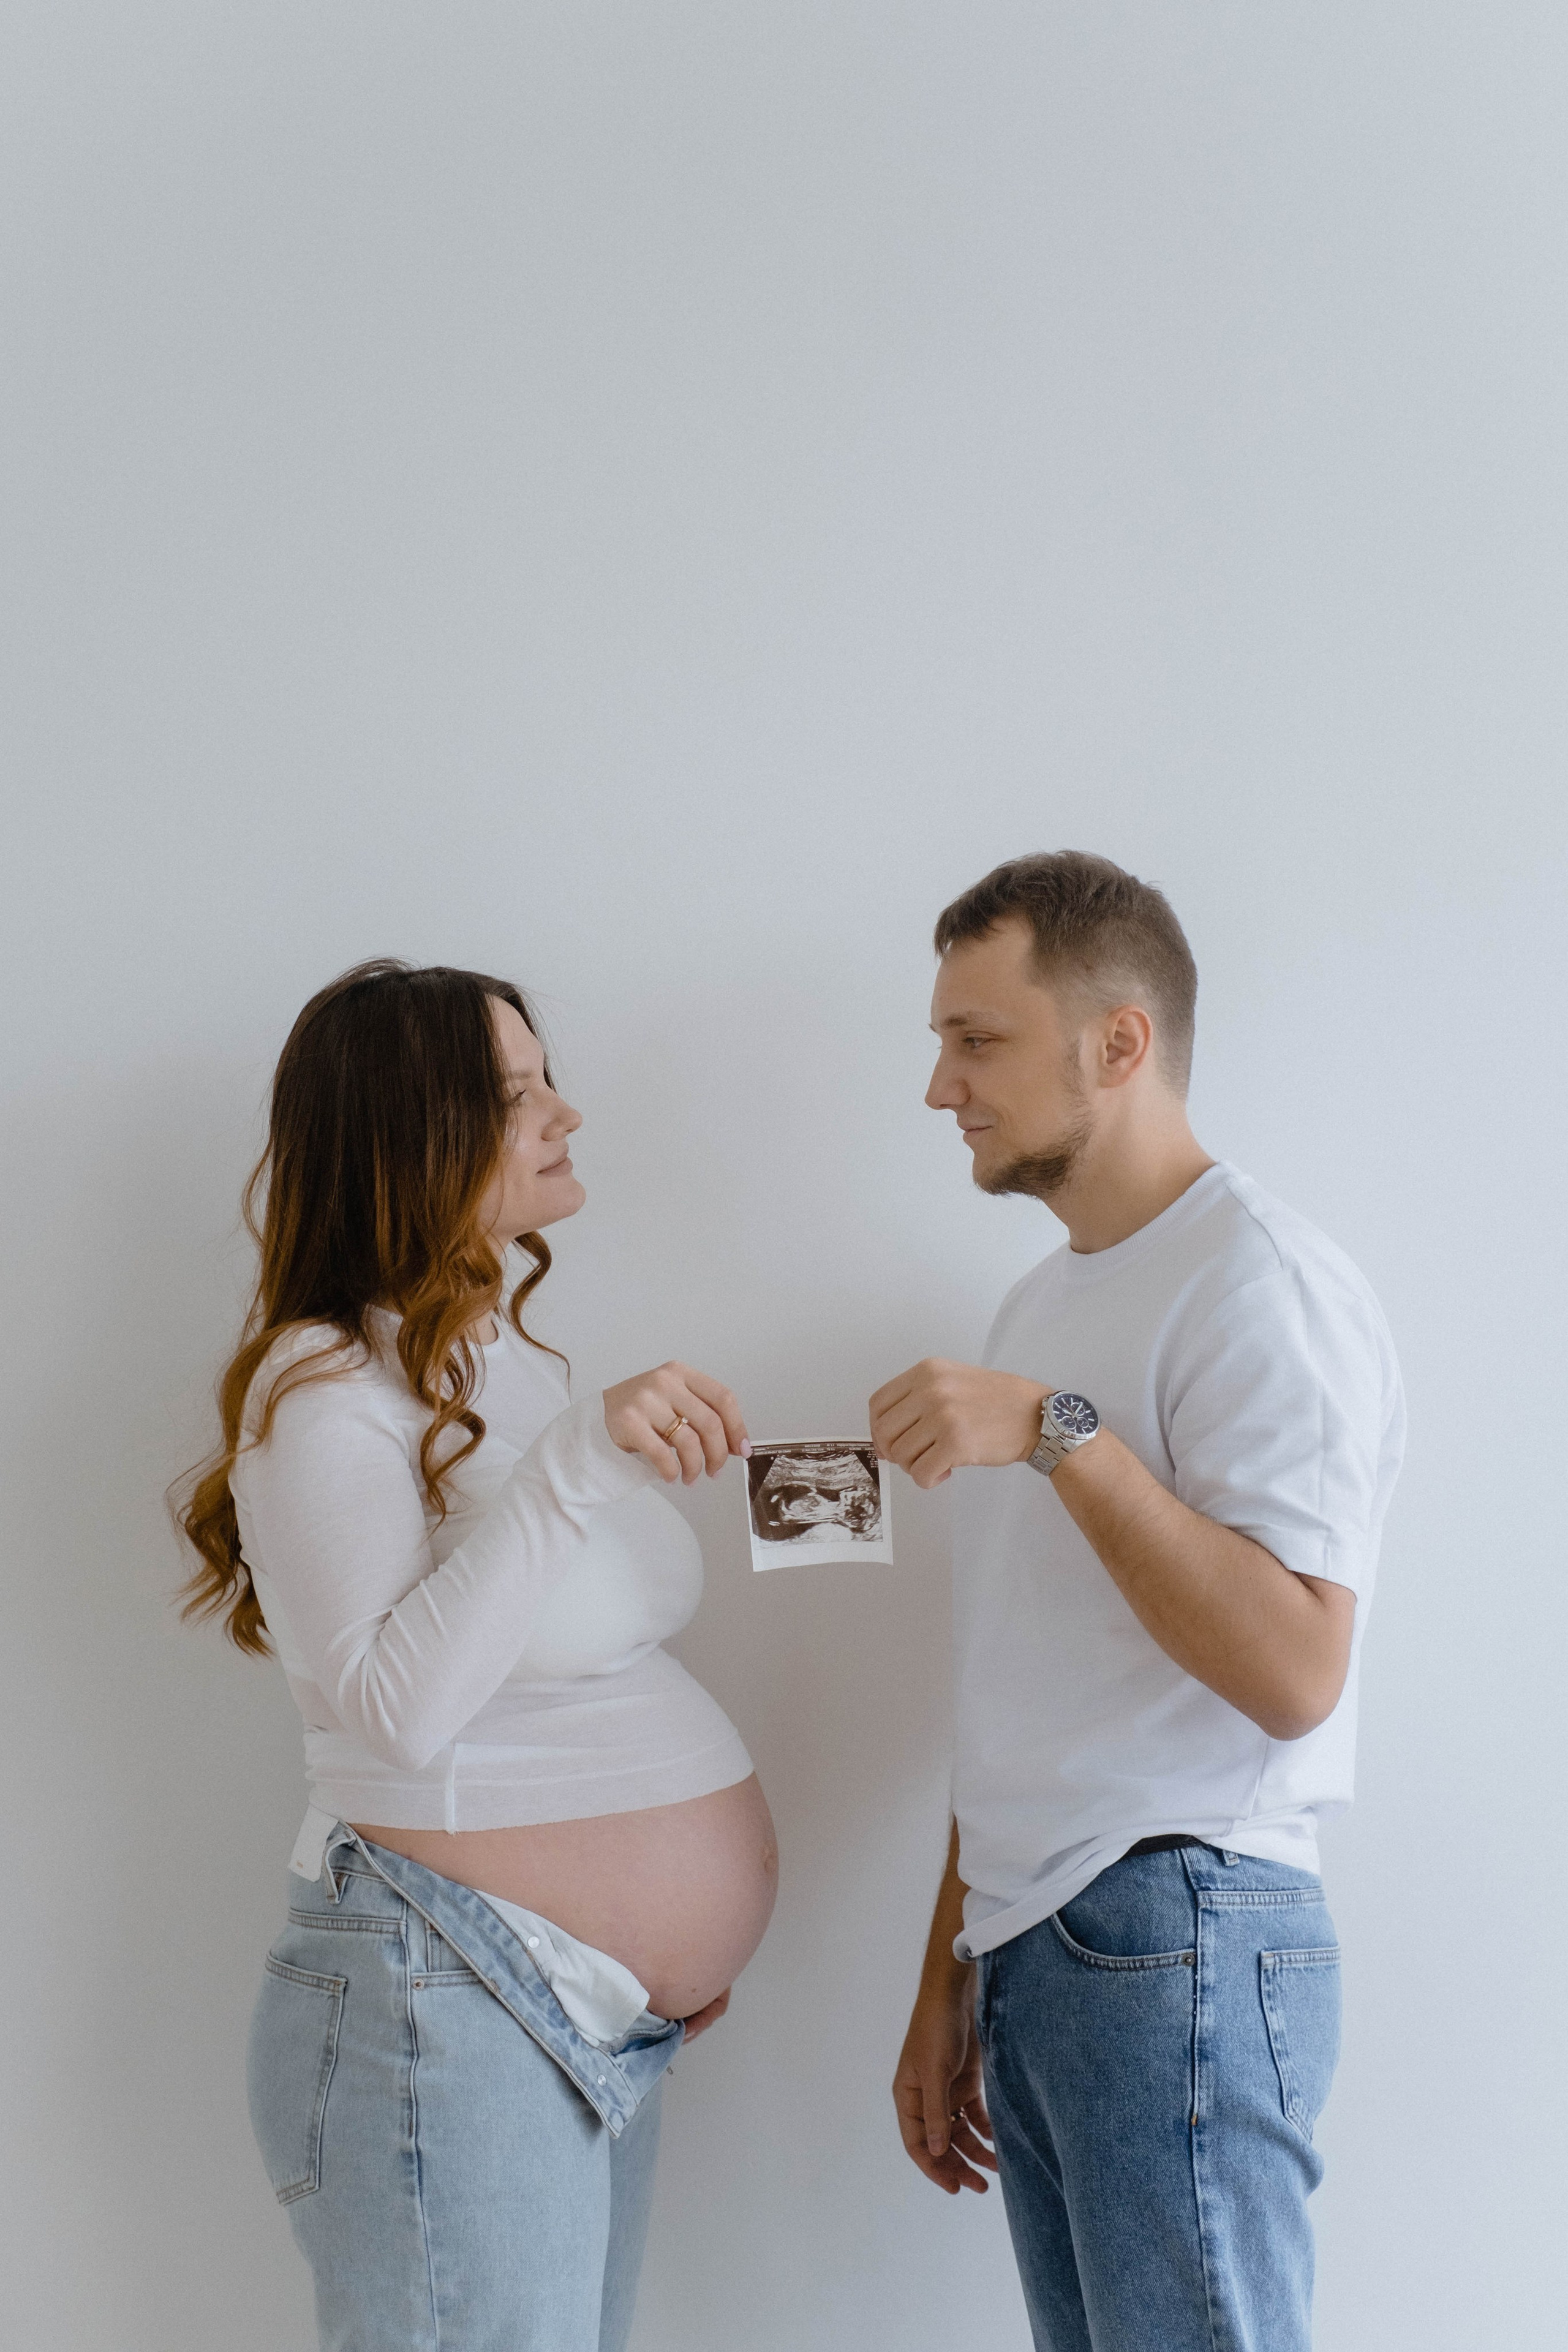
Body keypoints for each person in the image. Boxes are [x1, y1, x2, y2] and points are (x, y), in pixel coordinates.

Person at [175, 960, 777, 2352]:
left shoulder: (504, 1363)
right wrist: (578, 1462)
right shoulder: (322, 1385)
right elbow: (393, 1713)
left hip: (565, 2004)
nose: (566, 1113)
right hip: (442, 1989)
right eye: (516, 1095)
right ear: (413, 1131)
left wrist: (649, 1945)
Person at [871, 854, 1404, 2352]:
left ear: (1118, 1043)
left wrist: (1059, 1433)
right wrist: (950, 1966)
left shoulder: (1257, 1284)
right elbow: (1027, 1678)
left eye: (976, 1040)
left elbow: (1295, 1670)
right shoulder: (1037, 1306)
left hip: (1179, 1926)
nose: (938, 1087)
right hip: (1048, 1945)